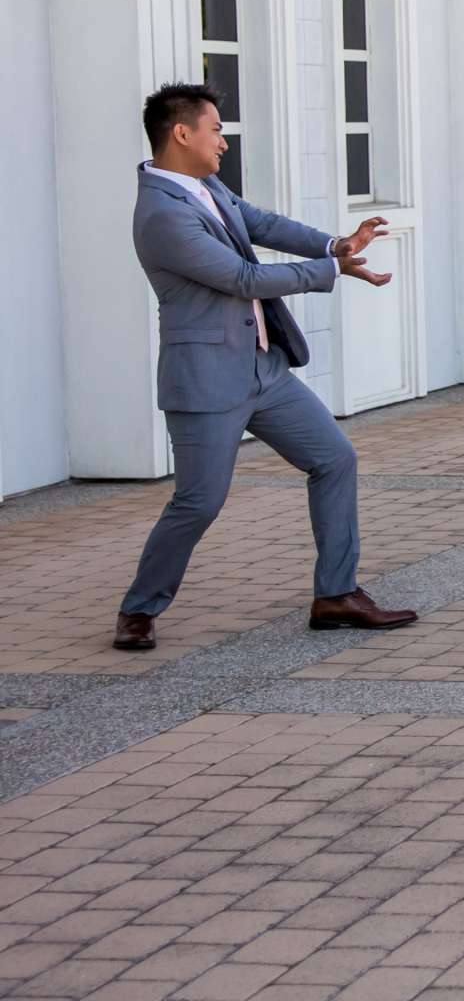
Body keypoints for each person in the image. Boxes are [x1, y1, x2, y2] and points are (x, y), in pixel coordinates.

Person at [115, 83, 418, 651]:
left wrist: (334, 246)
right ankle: (139, 608)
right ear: (182, 133)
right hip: (207, 380)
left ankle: (336, 595)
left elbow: (260, 222)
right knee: (199, 501)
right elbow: (241, 279)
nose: (222, 142)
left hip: (263, 368)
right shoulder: (160, 213)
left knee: (334, 459)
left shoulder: (203, 186)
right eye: (216, 129)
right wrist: (331, 274)